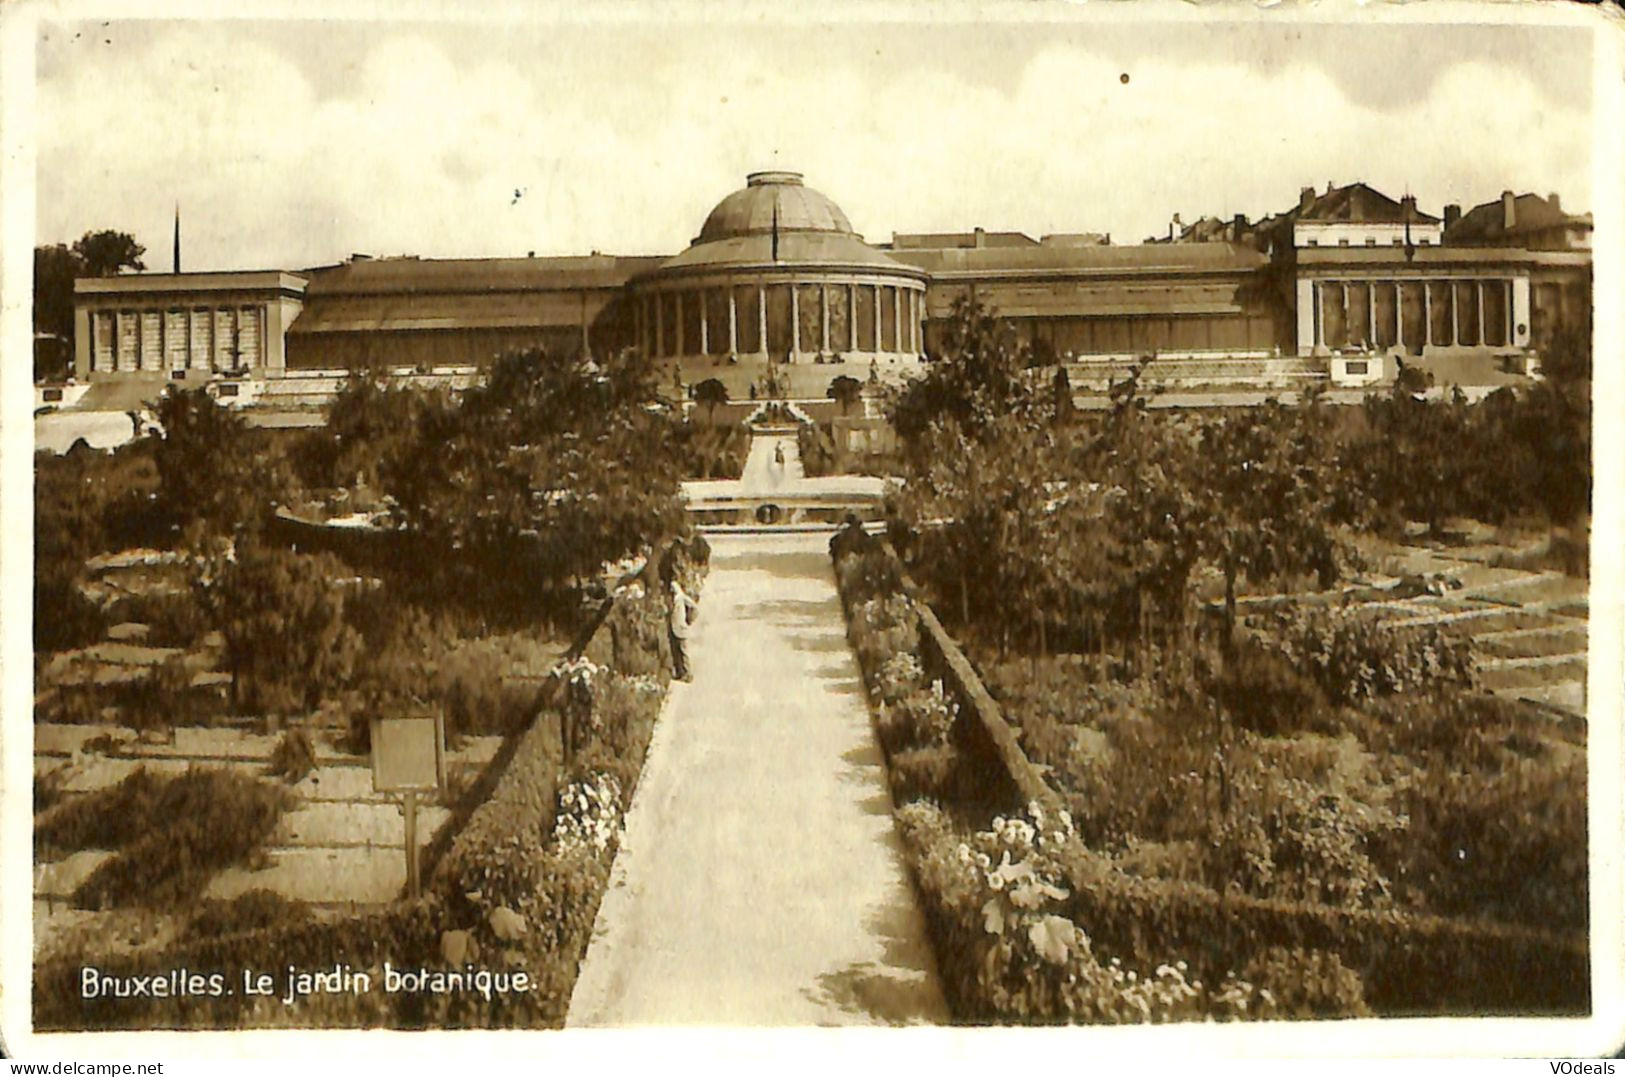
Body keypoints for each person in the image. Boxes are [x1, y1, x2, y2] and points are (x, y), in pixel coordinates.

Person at [668, 572, 697, 682]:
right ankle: (680, 673)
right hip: (673, 629)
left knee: (684, 652)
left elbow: (694, 607)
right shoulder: (672, 599)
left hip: (681, 629)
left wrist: (689, 620)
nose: (672, 591)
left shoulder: (682, 598)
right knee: (676, 652)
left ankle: (689, 674)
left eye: (673, 588)